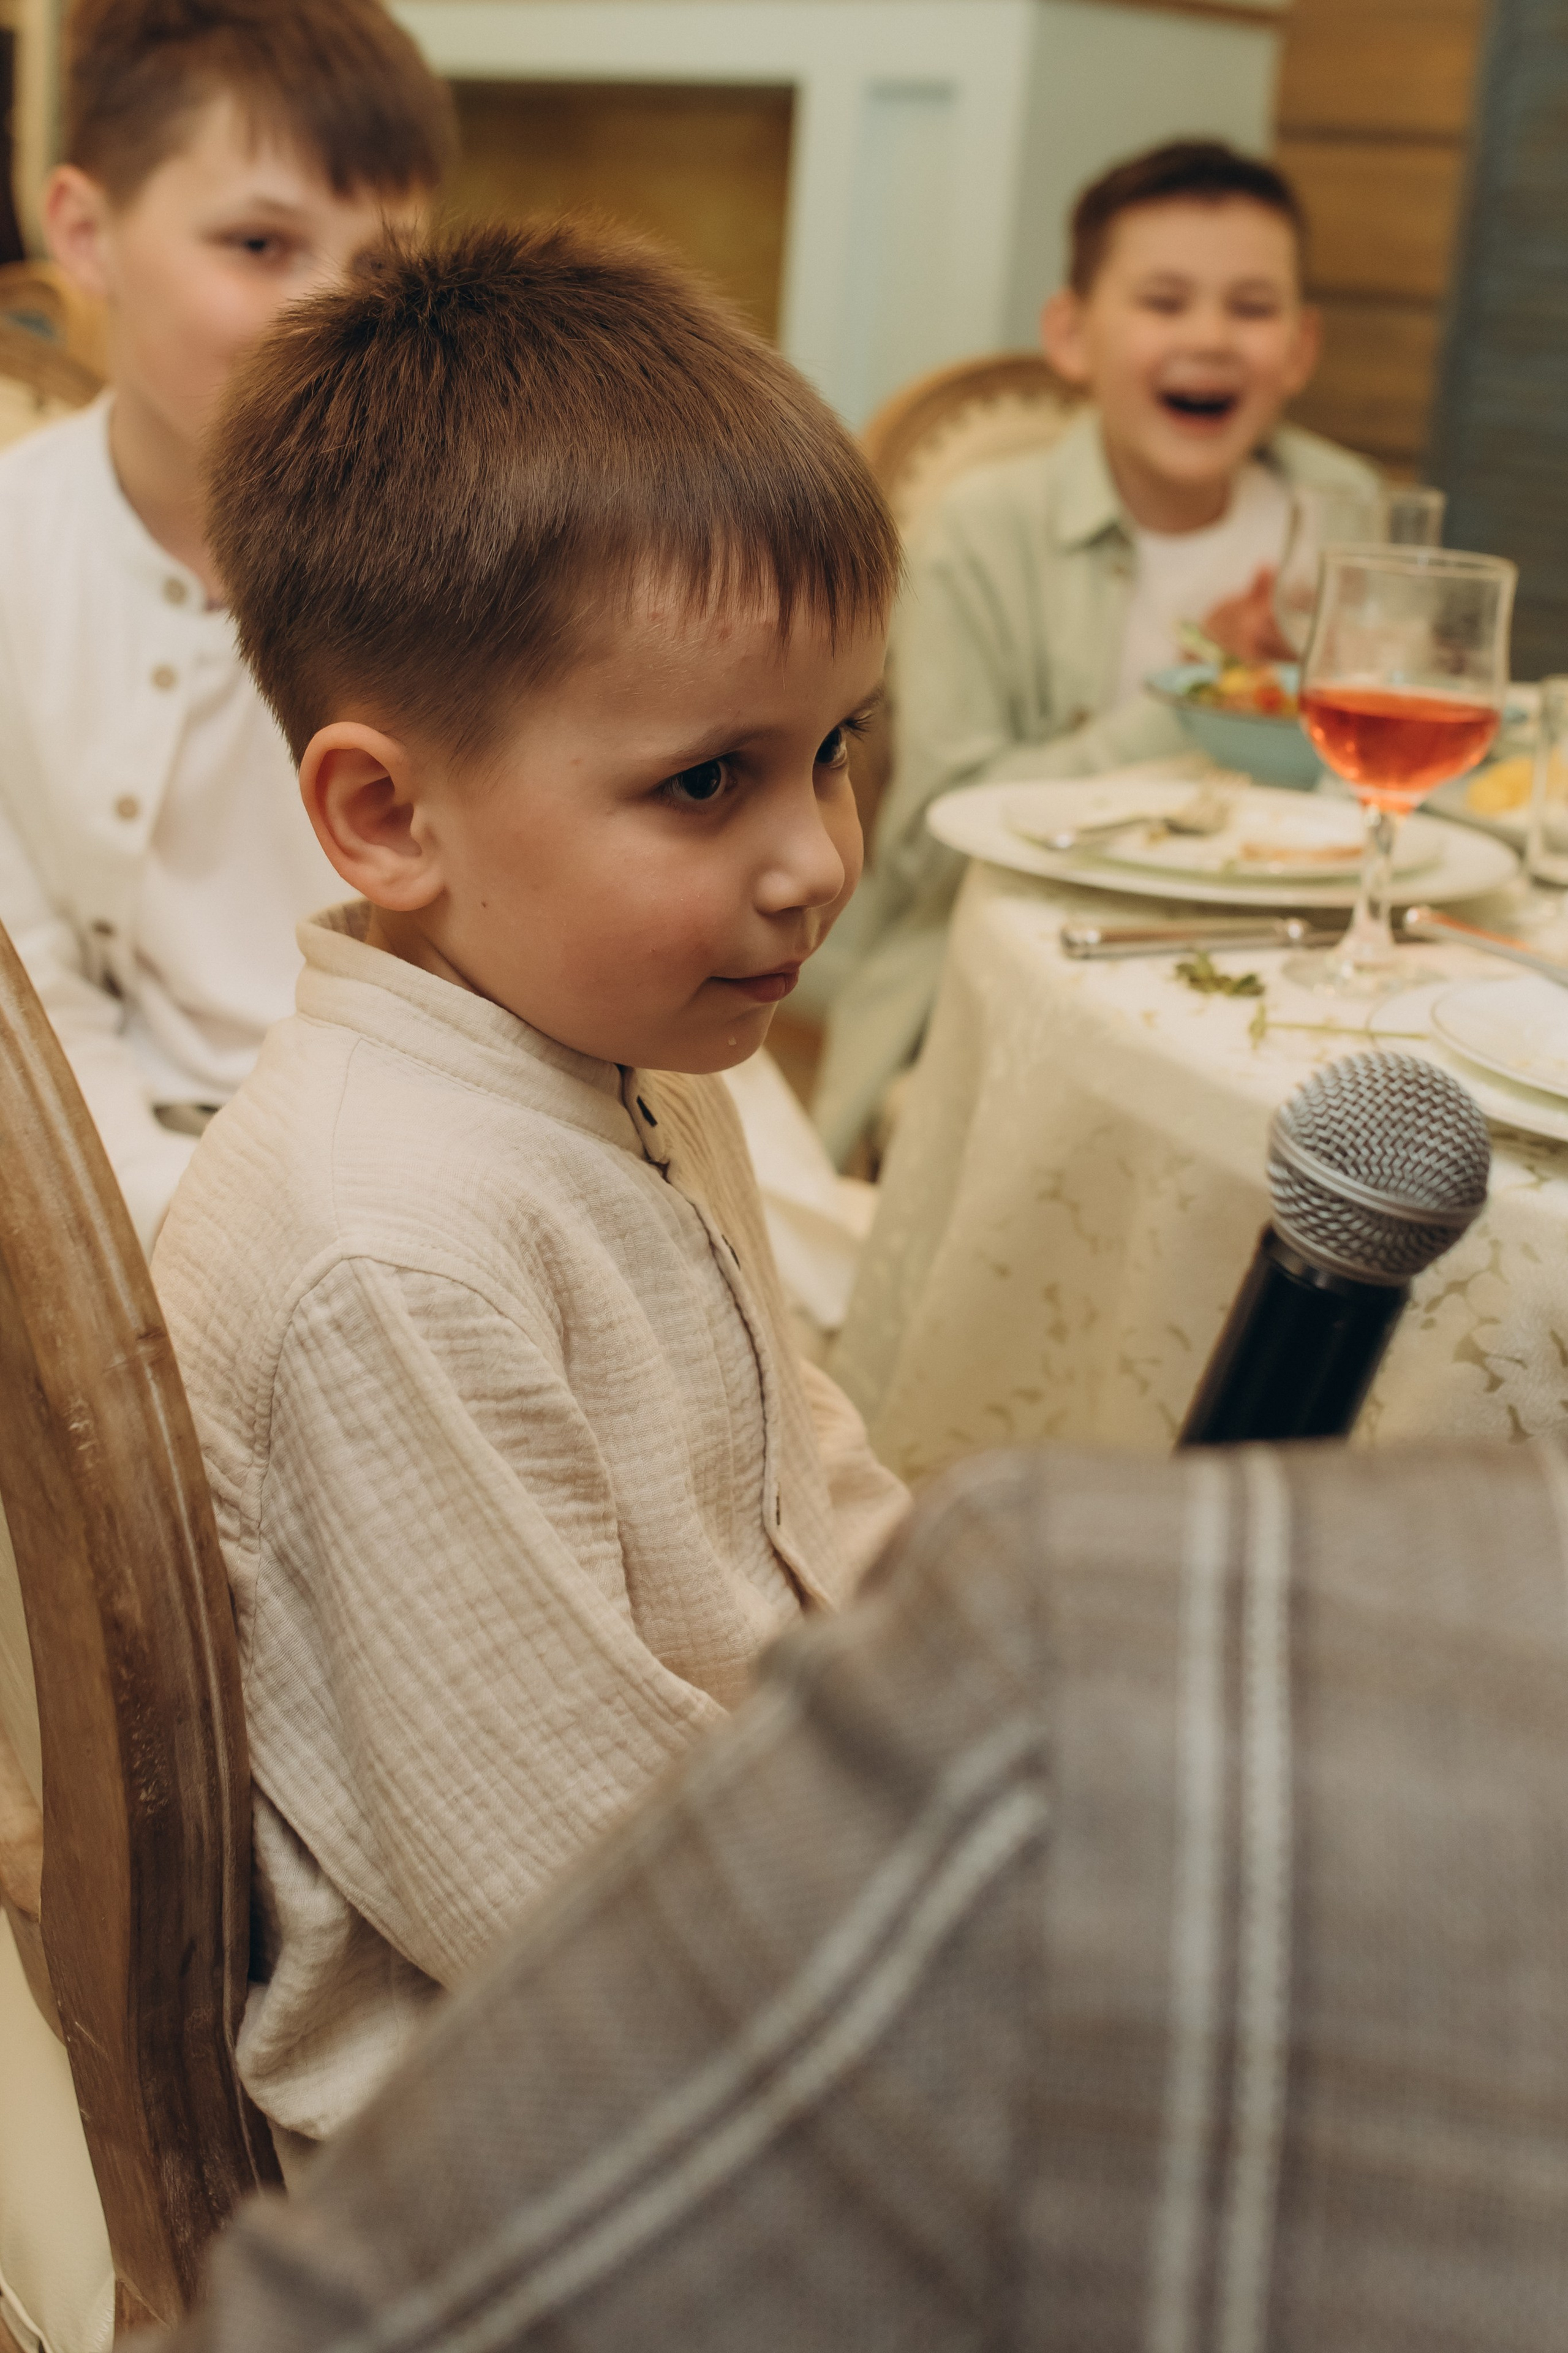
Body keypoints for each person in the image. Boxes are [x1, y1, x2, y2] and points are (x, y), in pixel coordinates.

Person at [151, 221, 911, 2165]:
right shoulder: (389, 1253)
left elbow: (796, 1484)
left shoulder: (624, 1036)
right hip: (538, 2135)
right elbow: (567, 1897)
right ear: (387, 816)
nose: (816, 856)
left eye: (835, 752)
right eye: (705, 782)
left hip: (750, 1907)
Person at [153, 1435, 1568, 2349]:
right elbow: (516, 1873)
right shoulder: (391, 1259)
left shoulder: (662, 1089)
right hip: (473, 2082)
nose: (805, 942)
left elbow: (805, 1480)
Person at [812, 141, 1381, 1167]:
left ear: (1300, 348)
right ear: (1072, 336)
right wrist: (1205, 696)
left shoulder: (1343, 512)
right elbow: (931, 840)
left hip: (1276, 959)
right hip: (1018, 972)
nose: (1210, 336)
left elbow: (1374, 777)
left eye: (1251, 310)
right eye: (1165, 301)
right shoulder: (983, 528)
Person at [0, 0, 453, 1251]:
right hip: (142, 1190)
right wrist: (194, 1230)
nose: (326, 316)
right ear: (86, 232)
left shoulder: (470, 551)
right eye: (260, 244)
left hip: (457, 1162)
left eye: (377, 265)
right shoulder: (18, 555)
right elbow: (34, 1006)